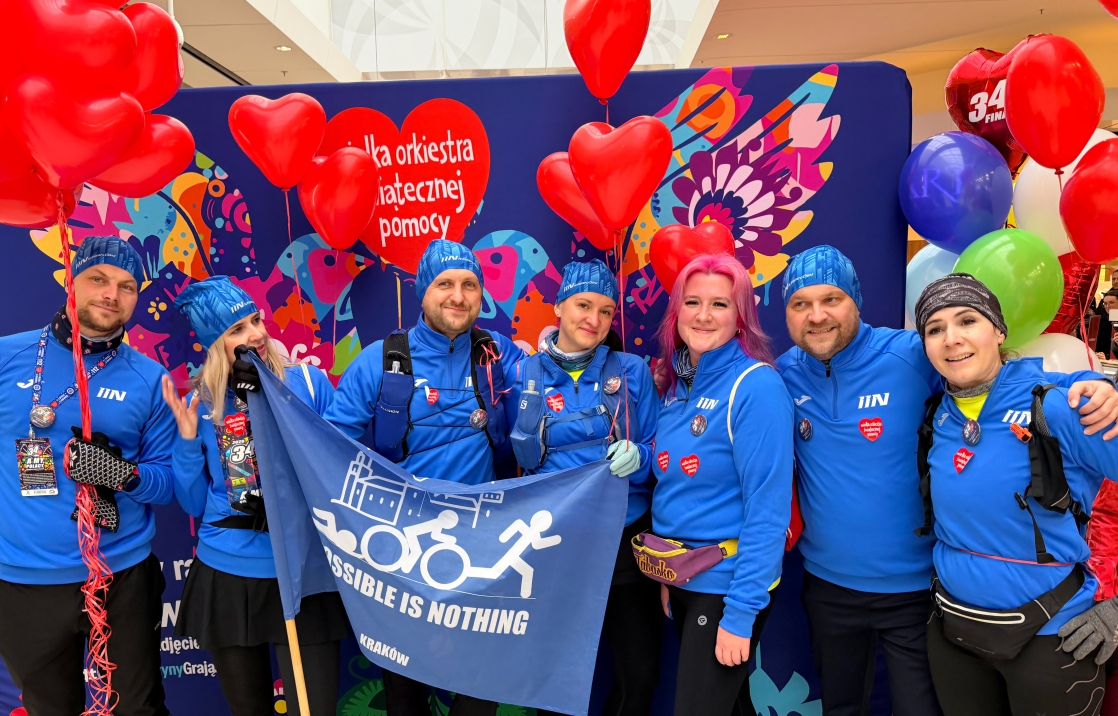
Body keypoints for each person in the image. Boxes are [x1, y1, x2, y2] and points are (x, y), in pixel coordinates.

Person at [776, 245, 1118, 716]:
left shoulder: (910, 354)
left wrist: (1098, 385)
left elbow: (1015, 378)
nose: (817, 315)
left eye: (831, 298)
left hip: (921, 594)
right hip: (837, 589)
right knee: (840, 707)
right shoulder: (783, 375)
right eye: (801, 303)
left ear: (856, 300)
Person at [325, 239, 527, 716]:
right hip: (404, 553)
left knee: (481, 690)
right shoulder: (380, 360)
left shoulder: (498, 355)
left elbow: (554, 405)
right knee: (405, 698)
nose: (458, 296)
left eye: (469, 285)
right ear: (422, 292)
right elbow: (327, 447)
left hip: (482, 551)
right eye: (445, 284)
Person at [914, 273, 1118, 716]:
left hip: (1053, 637)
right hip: (954, 630)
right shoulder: (937, 413)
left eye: (968, 320)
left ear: (999, 331)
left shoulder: (1060, 405)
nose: (952, 338)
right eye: (934, 328)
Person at [0, 236, 177, 716]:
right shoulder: (8, 356)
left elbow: (167, 481)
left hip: (120, 577)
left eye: (126, 286)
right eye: (98, 279)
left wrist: (122, 474)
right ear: (71, 283)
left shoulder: (150, 378)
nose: (111, 295)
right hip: (25, 580)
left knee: (138, 709)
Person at [162, 276, 348, 716]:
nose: (256, 334)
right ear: (216, 345)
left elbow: (336, 467)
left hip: (301, 568)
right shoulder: (204, 402)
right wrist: (186, 441)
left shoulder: (309, 382)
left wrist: (271, 400)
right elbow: (192, 503)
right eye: (237, 329)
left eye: (256, 321)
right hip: (228, 571)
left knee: (315, 709)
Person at [504, 259, 661, 716]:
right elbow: (501, 457)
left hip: (624, 540)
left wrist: (641, 457)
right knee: (555, 677)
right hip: (554, 543)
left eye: (606, 311)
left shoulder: (631, 371)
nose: (594, 319)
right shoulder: (521, 376)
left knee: (640, 674)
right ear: (558, 307)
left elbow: (660, 452)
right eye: (583, 305)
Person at [649, 254, 792, 715]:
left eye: (720, 304)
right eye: (692, 302)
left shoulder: (756, 387)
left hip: (728, 587)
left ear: (741, 316)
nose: (704, 315)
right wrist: (671, 569)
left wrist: (741, 612)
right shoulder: (675, 386)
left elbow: (768, 511)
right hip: (684, 577)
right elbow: (676, 491)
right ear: (677, 312)